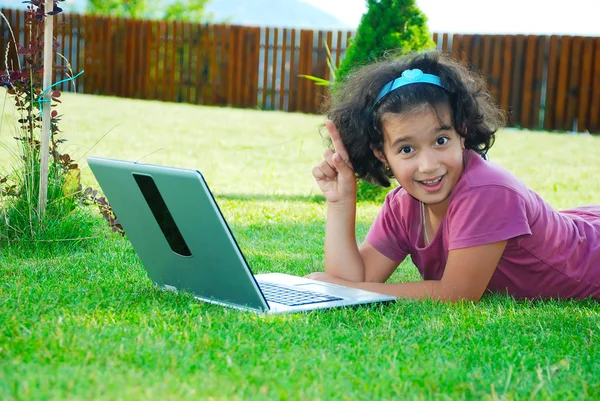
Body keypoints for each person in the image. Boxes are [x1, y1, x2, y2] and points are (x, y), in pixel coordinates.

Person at [307, 51, 600, 302]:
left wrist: (343, 287)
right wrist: (341, 201)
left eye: (440, 141)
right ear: (382, 155)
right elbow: (358, 277)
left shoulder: (486, 191)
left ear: (462, 133)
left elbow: (457, 294)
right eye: (407, 149)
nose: (428, 165)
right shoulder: (402, 205)